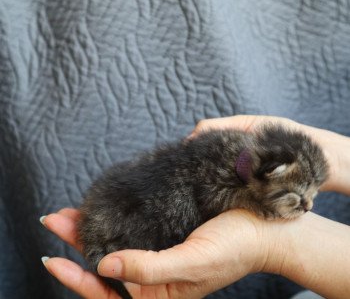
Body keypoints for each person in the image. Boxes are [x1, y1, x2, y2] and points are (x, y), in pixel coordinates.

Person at [40, 115, 350, 299]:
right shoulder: (230, 176)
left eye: (313, 192)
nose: (308, 206)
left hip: (110, 207)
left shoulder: (239, 149)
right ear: (266, 173)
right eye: (298, 196)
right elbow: (217, 191)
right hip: (127, 217)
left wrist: (269, 243)